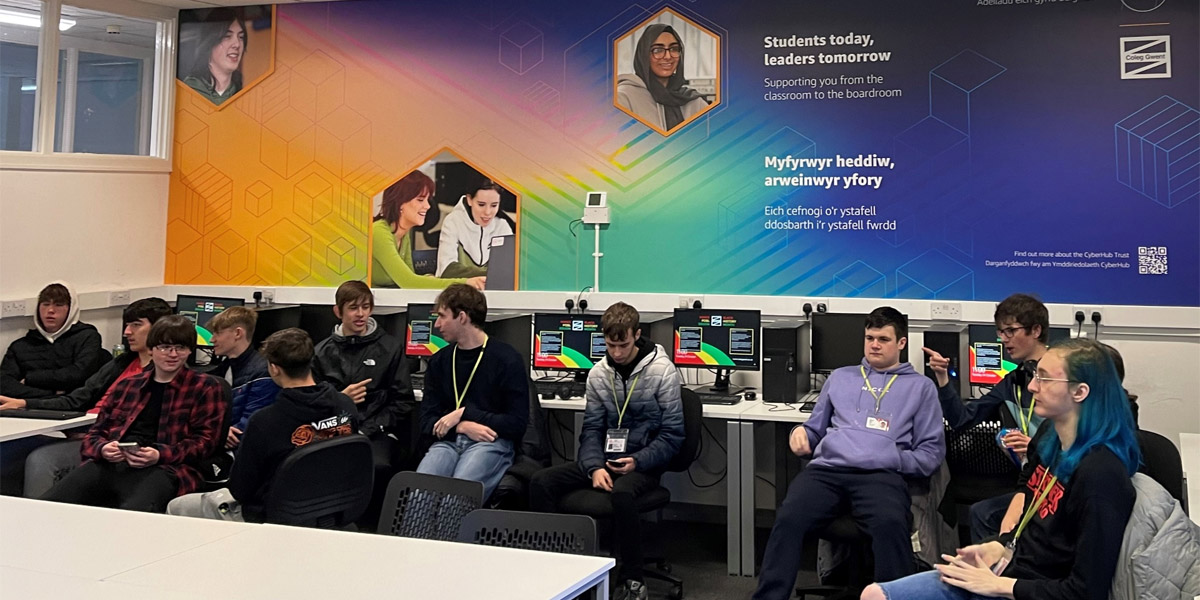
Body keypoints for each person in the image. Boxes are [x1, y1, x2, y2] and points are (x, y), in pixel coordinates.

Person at [863, 338, 1141, 600]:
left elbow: (1085, 591)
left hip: (1027, 589)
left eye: (1044, 378)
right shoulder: (1050, 438)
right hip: (1009, 572)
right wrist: (996, 546)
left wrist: (1000, 585)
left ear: (1080, 392)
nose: (1032, 386)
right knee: (874, 594)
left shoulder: (1101, 474)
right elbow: (1032, 528)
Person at [754, 307, 945, 600]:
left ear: (901, 343)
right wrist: (800, 435)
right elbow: (814, 428)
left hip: (881, 476)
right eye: (870, 338)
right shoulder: (841, 377)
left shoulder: (921, 387)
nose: (874, 345)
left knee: (890, 524)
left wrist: (892, 458)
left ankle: (893, 596)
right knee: (789, 518)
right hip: (827, 472)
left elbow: (931, 454)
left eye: (883, 339)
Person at [529, 302, 683, 600]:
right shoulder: (599, 374)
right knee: (541, 482)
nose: (617, 353)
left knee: (622, 494)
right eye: (610, 345)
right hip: (604, 459)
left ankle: (633, 582)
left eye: (623, 344)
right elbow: (592, 430)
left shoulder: (662, 371)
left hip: (643, 464)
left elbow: (673, 437)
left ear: (637, 335)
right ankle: (556, 565)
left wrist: (637, 460)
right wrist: (594, 467)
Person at [167, 328, 359, 522]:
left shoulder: (265, 421)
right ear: (310, 361)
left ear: (274, 368)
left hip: (271, 515)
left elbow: (239, 490)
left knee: (176, 507)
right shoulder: (345, 405)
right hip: (331, 508)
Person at [41, 315, 228, 512]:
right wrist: (103, 448)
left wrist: (159, 455)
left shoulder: (205, 387)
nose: (172, 354)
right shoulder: (128, 385)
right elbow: (95, 433)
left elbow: (206, 443)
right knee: (49, 505)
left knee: (133, 513)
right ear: (151, 349)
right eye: (164, 347)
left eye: (180, 348)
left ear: (189, 350)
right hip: (113, 464)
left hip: (168, 468)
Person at [1, 298, 173, 498]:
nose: (127, 332)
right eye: (127, 325)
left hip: (106, 443)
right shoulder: (121, 363)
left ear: (159, 329)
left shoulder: (162, 374)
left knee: (41, 459)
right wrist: (24, 404)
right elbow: (75, 400)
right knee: (8, 448)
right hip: (82, 430)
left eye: (136, 325)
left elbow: (142, 424)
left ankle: (39, 520)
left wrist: (96, 434)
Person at [924, 293, 1050, 542]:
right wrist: (942, 378)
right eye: (1001, 332)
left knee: (988, 514)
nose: (1004, 339)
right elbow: (961, 420)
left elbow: (1083, 435)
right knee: (982, 513)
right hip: (1032, 480)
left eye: (1011, 331)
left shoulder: (1065, 376)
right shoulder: (1013, 382)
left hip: (1062, 478)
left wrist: (1035, 446)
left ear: (1035, 330)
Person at [311, 280, 415, 516]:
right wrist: (341, 399)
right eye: (353, 308)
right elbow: (312, 401)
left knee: (376, 466)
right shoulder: (320, 352)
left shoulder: (389, 347)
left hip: (376, 430)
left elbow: (403, 401)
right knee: (313, 462)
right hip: (333, 428)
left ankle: (372, 529)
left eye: (366, 307)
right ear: (338, 311)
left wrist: (369, 428)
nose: (361, 314)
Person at [416, 284, 528, 499]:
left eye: (442, 316)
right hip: (448, 443)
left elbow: (516, 425)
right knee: (418, 496)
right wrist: (462, 426)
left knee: (457, 498)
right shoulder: (440, 361)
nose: (437, 324)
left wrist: (465, 413)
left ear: (462, 317)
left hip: (490, 444)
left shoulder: (506, 359)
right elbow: (426, 422)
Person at [371, 170, 485, 290]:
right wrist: (466, 282)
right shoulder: (379, 232)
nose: (428, 206)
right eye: (420, 200)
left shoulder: (404, 233)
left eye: (427, 200)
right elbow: (409, 283)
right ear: (400, 203)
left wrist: (427, 278)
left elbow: (410, 277)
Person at [0, 281, 103, 399]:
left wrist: (31, 379)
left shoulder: (87, 337)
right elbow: (5, 385)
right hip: (28, 409)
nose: (50, 310)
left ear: (70, 309)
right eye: (45, 304)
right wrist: (52, 394)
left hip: (75, 409)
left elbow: (79, 375)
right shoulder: (20, 346)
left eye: (58, 305)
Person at [206, 306, 279, 450]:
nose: (211, 339)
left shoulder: (262, 373)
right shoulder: (224, 368)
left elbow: (249, 426)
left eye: (217, 333)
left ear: (238, 333)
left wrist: (217, 435)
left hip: (242, 451)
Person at [616, 23, 709, 132]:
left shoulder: (693, 101)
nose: (668, 56)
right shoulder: (623, 98)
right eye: (658, 50)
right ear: (644, 55)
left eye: (674, 49)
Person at [435, 176, 514, 279]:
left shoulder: (502, 225)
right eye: (481, 205)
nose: (487, 212)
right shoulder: (453, 221)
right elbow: (447, 270)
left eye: (494, 205)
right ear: (469, 200)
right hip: (457, 291)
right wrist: (492, 275)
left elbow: (509, 269)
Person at [181, 8, 246, 106]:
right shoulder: (190, 90)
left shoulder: (242, 93)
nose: (237, 44)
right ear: (210, 41)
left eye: (241, 37)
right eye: (227, 36)